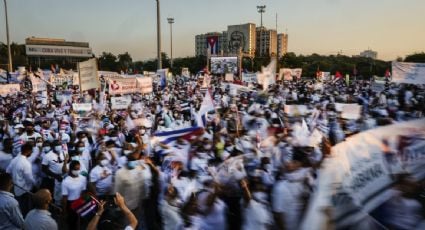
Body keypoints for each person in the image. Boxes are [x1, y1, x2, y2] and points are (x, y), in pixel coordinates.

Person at [6, 143, 36, 217]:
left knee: (18, 209)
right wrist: (36, 185)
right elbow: (29, 179)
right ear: (28, 151)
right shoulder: (26, 163)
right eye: (31, 151)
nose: (31, 153)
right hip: (24, 191)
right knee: (25, 210)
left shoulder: (14, 159)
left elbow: (8, 171)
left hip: (16, 189)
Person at [62, 160, 87, 230]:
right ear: (71, 169)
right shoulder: (66, 181)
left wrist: (83, 203)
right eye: (76, 169)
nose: (78, 171)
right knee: (72, 224)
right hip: (70, 204)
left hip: (80, 202)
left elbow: (83, 192)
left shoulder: (83, 179)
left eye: (79, 169)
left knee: (80, 223)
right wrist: (64, 212)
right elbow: (64, 198)